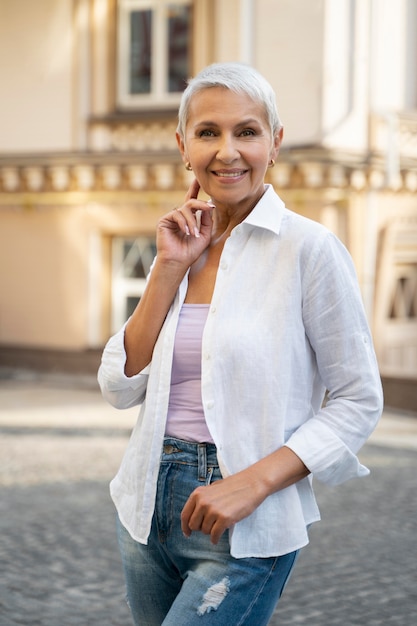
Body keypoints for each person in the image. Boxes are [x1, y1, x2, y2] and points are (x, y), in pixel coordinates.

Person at [98, 62, 383, 625]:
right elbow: (118, 386)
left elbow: (358, 400)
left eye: (246, 132)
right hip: (143, 508)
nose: (227, 151)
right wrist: (168, 268)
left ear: (274, 143)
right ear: (184, 145)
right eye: (208, 132)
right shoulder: (181, 243)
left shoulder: (308, 248)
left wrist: (250, 485)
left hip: (245, 523)